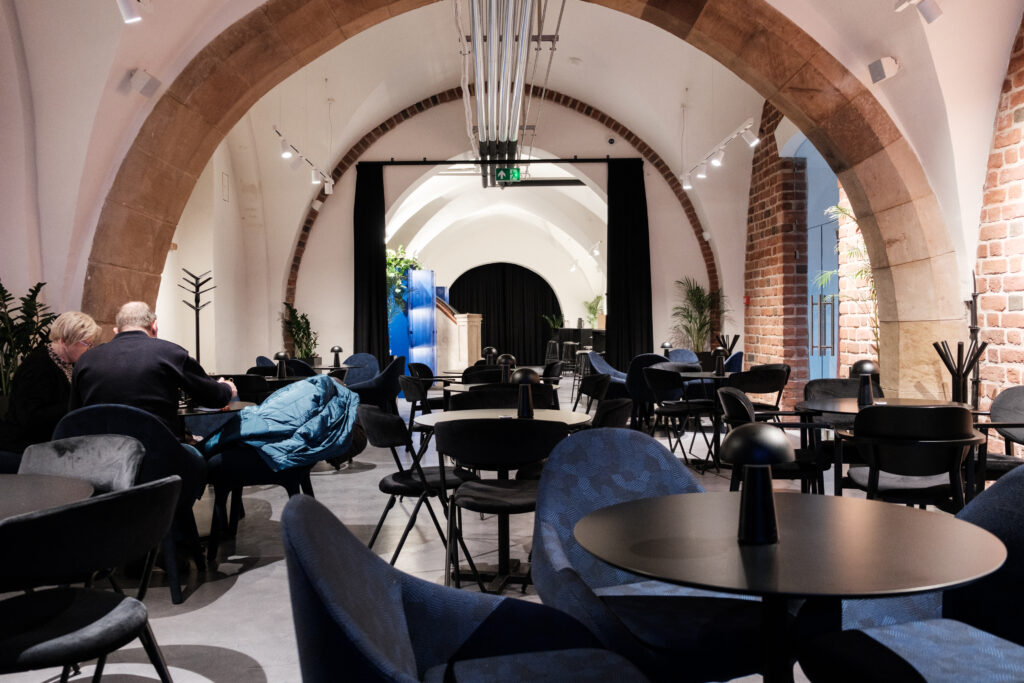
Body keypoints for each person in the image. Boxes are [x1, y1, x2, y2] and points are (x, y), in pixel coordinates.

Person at [70, 301, 236, 439]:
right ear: (154, 326)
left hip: (101, 456)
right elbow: (214, 398)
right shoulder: (171, 353)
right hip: (159, 454)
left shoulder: (86, 360)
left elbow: (74, 414)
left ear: (116, 330)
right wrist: (227, 388)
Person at [0, 311, 103, 471]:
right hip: (25, 448)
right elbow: (30, 418)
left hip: (47, 444)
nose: (89, 349)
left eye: (91, 344)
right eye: (86, 343)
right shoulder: (38, 367)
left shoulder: (67, 364)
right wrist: (75, 405)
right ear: (64, 340)